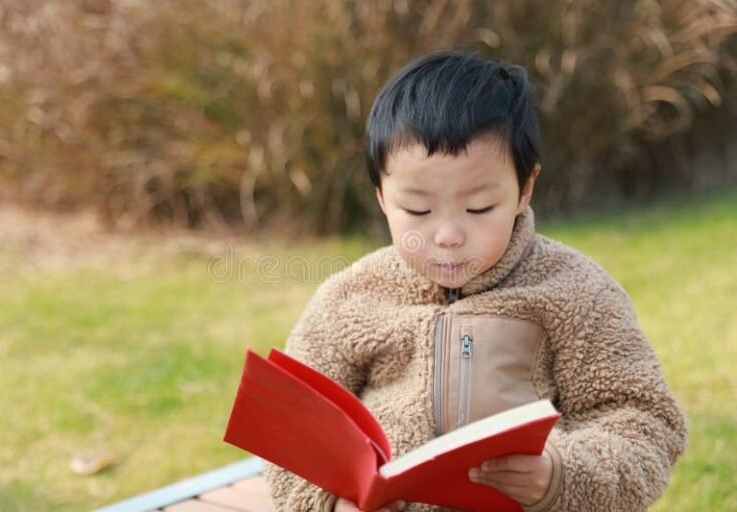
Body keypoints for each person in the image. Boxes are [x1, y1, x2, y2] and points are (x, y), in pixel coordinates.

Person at [263, 50, 687, 512]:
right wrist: (331, 504)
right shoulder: (350, 298)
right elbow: (292, 432)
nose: (447, 236)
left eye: (480, 208)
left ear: (525, 188)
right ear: (382, 197)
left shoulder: (576, 293)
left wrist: (559, 476)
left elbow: (646, 420)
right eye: (418, 211)